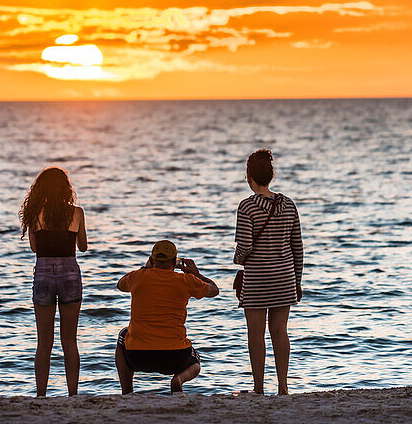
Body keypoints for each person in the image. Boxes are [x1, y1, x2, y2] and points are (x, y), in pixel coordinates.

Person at [233, 149, 304, 395]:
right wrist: (298, 280)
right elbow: (297, 247)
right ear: (271, 176)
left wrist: (237, 259)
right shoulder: (288, 204)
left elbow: (245, 247)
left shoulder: (247, 207)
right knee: (279, 331)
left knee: (256, 333)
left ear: (249, 177)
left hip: (258, 279)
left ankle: (258, 388)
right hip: (285, 277)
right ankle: (283, 386)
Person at [115, 240, 219, 394]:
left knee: (123, 335)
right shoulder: (187, 280)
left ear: (151, 260)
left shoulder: (138, 277)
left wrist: (144, 268)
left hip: (138, 356)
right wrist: (196, 274)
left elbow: (120, 284)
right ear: (174, 262)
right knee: (196, 361)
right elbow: (214, 290)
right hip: (175, 357)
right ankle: (179, 379)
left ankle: (127, 392)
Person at [19, 166, 89, 397]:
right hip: (69, 272)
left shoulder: (35, 213)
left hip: (44, 273)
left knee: (44, 342)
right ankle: (72, 394)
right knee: (69, 340)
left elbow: (34, 248)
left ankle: (41, 394)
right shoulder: (76, 212)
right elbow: (83, 246)